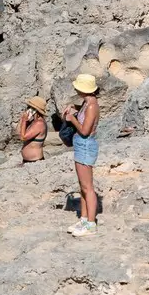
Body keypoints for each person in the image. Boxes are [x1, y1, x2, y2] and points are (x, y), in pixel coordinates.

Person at [64, 75, 100, 236]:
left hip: (85, 145)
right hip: (81, 145)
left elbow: (85, 131)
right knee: (82, 186)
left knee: (88, 187)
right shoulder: (87, 102)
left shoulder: (92, 106)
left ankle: (91, 224)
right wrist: (75, 109)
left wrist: (72, 119)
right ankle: (84, 219)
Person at [18, 96, 49, 163]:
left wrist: (24, 121)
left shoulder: (39, 124)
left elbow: (23, 137)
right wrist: (23, 119)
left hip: (35, 161)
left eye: (29, 108)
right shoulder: (33, 122)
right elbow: (18, 132)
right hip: (28, 161)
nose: (27, 109)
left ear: (35, 110)